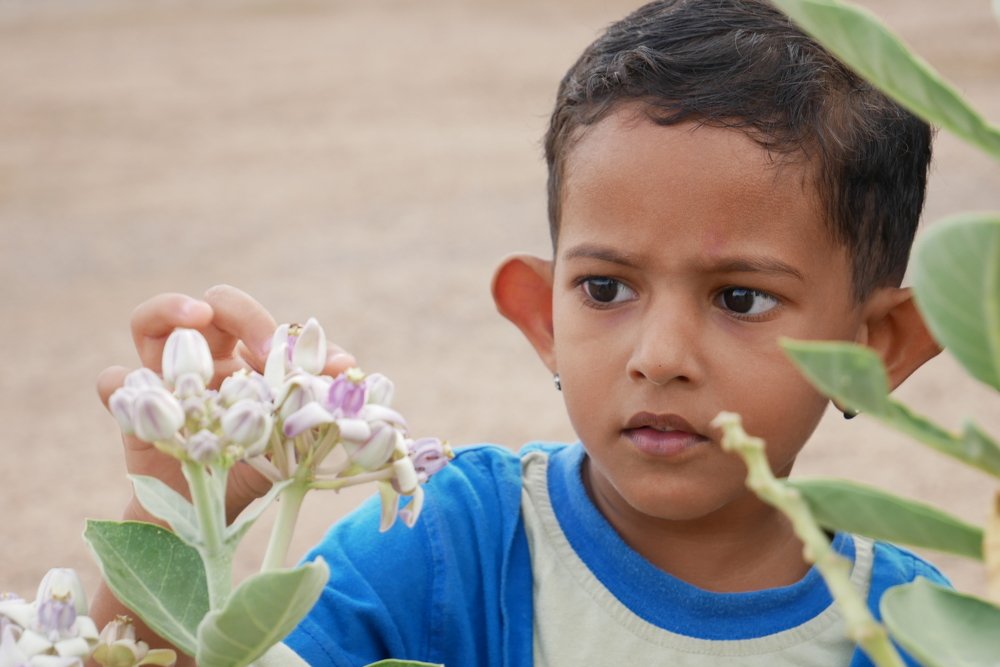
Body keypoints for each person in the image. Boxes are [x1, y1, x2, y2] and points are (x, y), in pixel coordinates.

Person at [91, 0, 949, 665]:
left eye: (741, 299)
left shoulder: (921, 633)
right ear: (543, 316)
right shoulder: (446, 548)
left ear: (876, 349)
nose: (660, 358)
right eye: (606, 288)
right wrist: (182, 511)